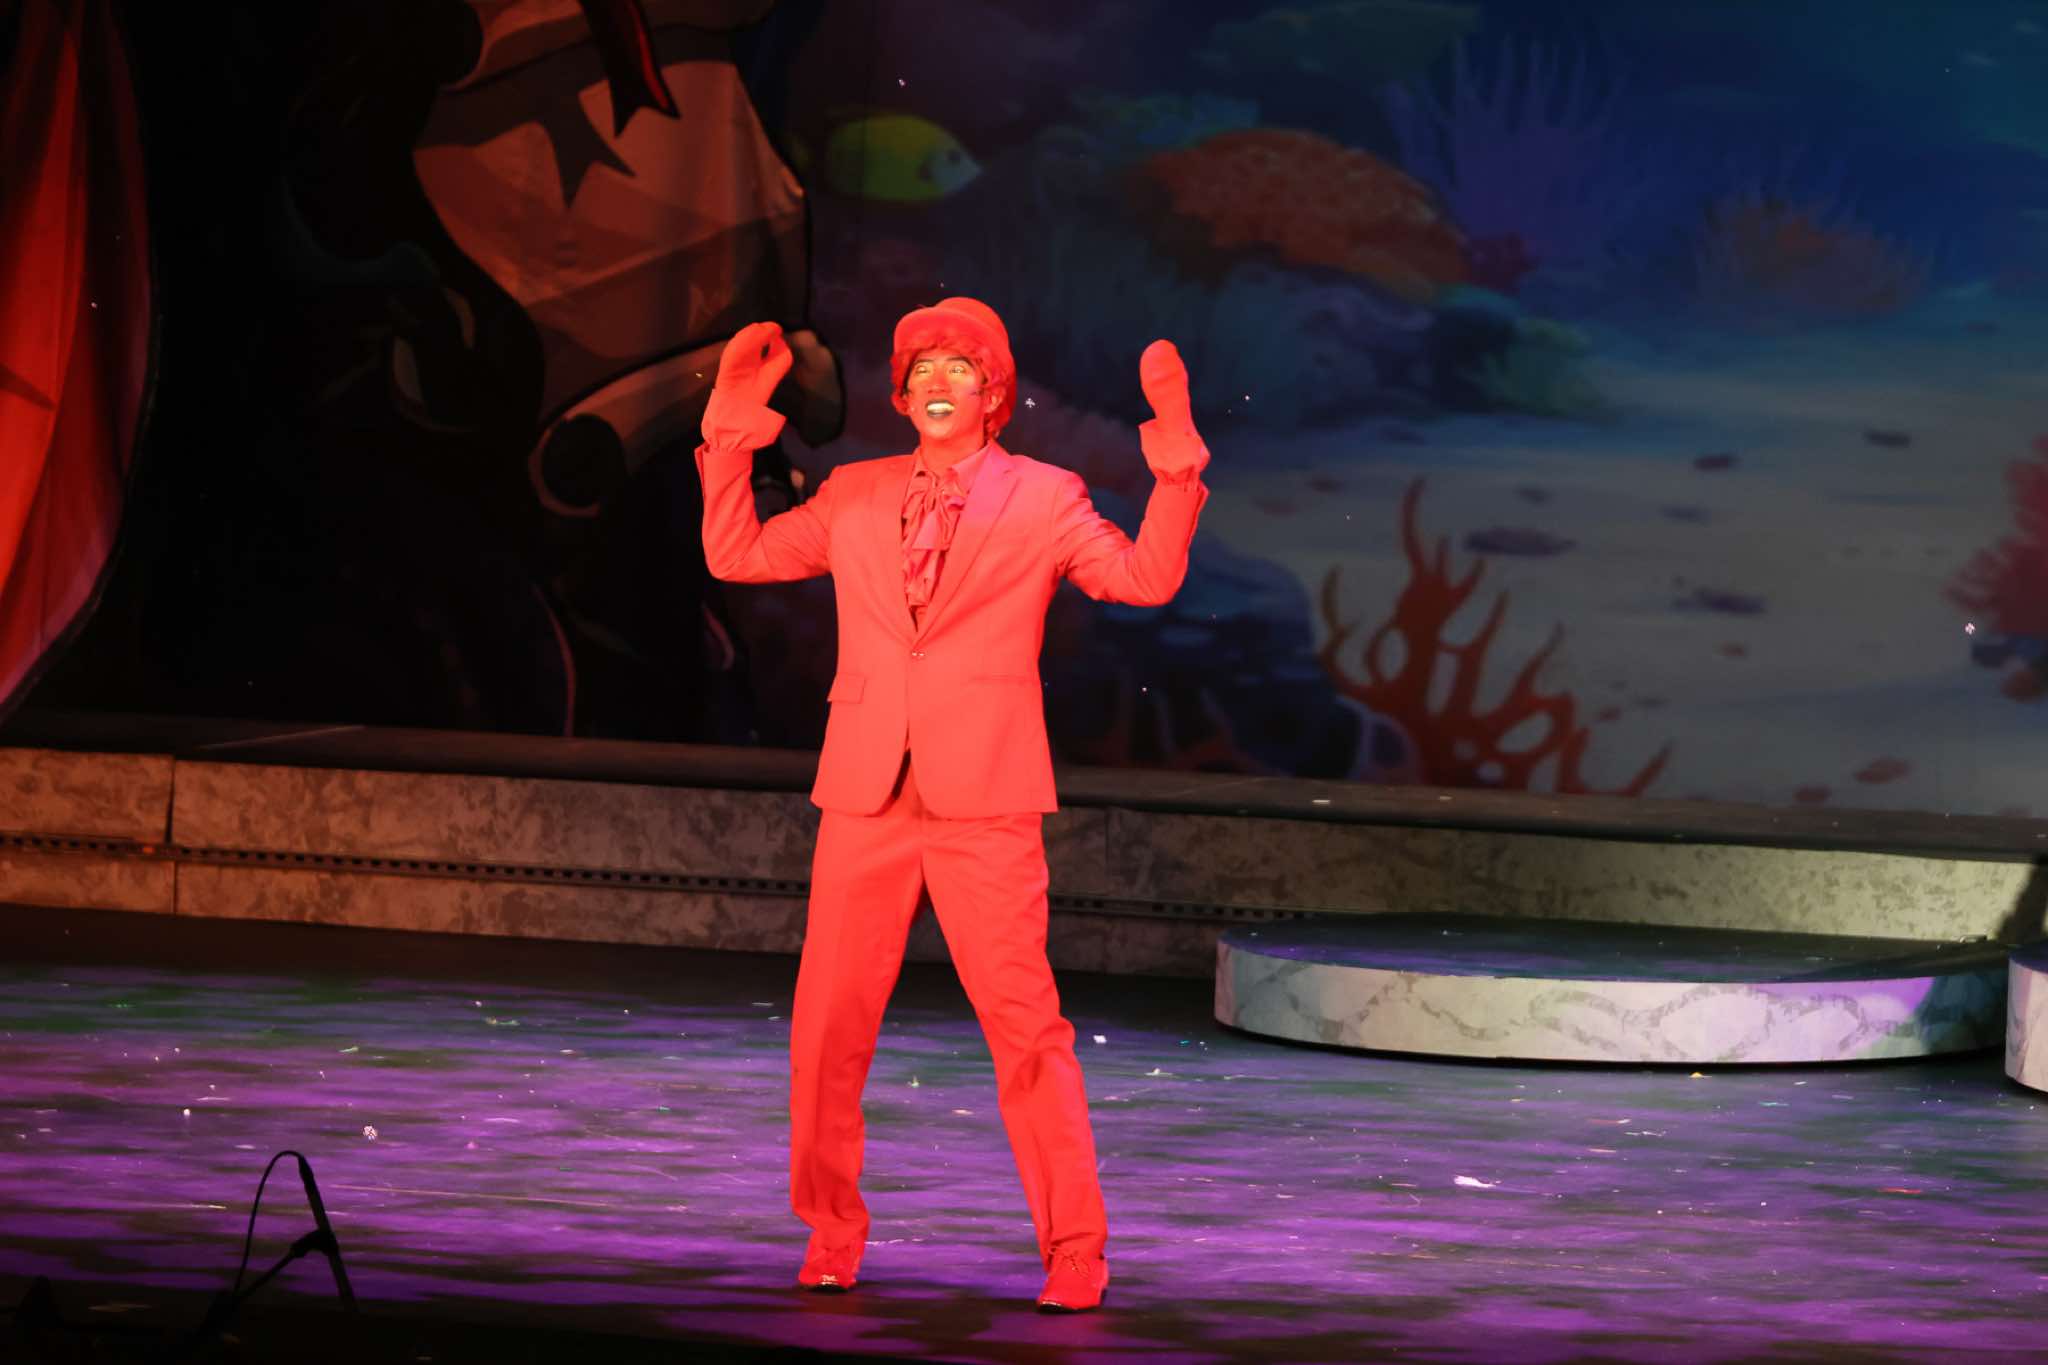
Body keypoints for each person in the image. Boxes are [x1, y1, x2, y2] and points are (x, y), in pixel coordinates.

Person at [694, 297, 1209, 1312]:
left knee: (1025, 1032)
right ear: (900, 392)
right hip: (866, 792)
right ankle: (830, 1229)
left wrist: (1175, 472)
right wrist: (729, 435)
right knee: (826, 1030)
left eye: (958, 368)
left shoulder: (1045, 495)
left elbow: (1143, 579)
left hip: (984, 799)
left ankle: (1074, 1249)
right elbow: (736, 556)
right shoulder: (854, 491)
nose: (937, 381)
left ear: (993, 392)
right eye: (921, 367)